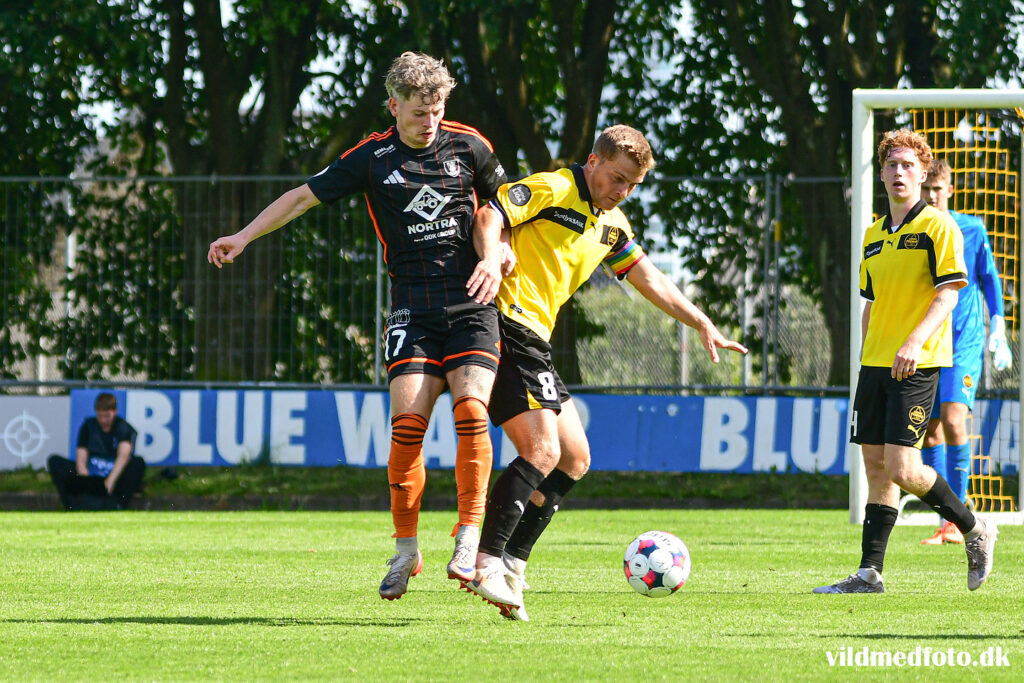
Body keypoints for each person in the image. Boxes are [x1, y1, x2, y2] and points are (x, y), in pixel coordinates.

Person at [207, 52, 509, 601]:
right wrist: (244, 236)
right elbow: (302, 197)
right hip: (412, 307)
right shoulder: (371, 158)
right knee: (407, 428)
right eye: (419, 112)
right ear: (393, 105)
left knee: (471, 411)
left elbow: (500, 206)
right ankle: (406, 549)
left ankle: (467, 536)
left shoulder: (469, 144)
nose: (430, 121)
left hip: (472, 300)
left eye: (437, 110)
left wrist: (494, 256)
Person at [462, 125, 747, 620]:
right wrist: (492, 254)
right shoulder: (555, 187)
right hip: (508, 324)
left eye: (632, 185)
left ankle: (512, 562)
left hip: (536, 339)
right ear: (593, 161)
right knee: (543, 450)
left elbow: (649, 276)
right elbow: (491, 212)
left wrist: (701, 320)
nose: (622, 191)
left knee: (574, 458)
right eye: (617, 178)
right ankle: (484, 561)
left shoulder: (611, 224)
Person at [814, 129, 997, 595]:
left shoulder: (939, 226)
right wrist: (864, 355)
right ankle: (869, 573)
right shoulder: (874, 235)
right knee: (875, 467)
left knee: (903, 468)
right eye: (892, 165)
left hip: (917, 361)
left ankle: (975, 529)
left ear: (922, 173)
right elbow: (871, 303)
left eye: (908, 166)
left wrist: (915, 341)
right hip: (875, 363)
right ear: (881, 173)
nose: (899, 172)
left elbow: (950, 292)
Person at [918, 158, 1012, 545]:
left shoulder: (970, 228)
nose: (931, 196)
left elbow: (989, 279)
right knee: (931, 430)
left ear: (950, 191)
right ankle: (947, 522)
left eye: (938, 189)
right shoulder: (914, 232)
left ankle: (961, 518)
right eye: (927, 189)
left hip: (965, 341)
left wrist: (1000, 325)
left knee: (955, 420)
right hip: (926, 342)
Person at [47, 392, 145, 510]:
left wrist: (110, 481)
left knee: (138, 463)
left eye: (107, 416)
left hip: (115, 477)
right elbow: (81, 459)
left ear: (115, 412)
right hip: (92, 477)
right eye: (100, 416)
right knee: (55, 462)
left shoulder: (123, 428)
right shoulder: (88, 427)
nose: (103, 420)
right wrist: (87, 482)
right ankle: (72, 505)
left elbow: (123, 457)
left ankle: (118, 504)